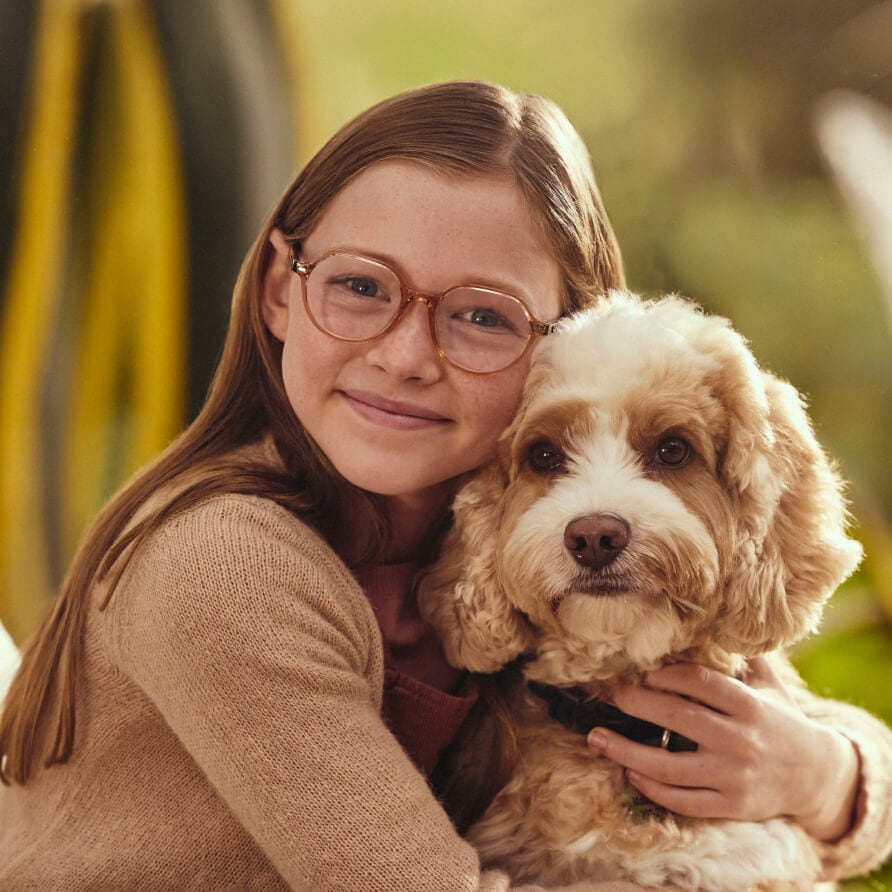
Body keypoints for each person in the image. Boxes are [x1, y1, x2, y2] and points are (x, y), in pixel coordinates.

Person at [0, 80, 889, 891]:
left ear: (562, 346)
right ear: (278, 287)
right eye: (358, 286)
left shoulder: (510, 520)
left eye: (479, 316)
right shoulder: (226, 565)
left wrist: (822, 775)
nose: (404, 356)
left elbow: (792, 722)